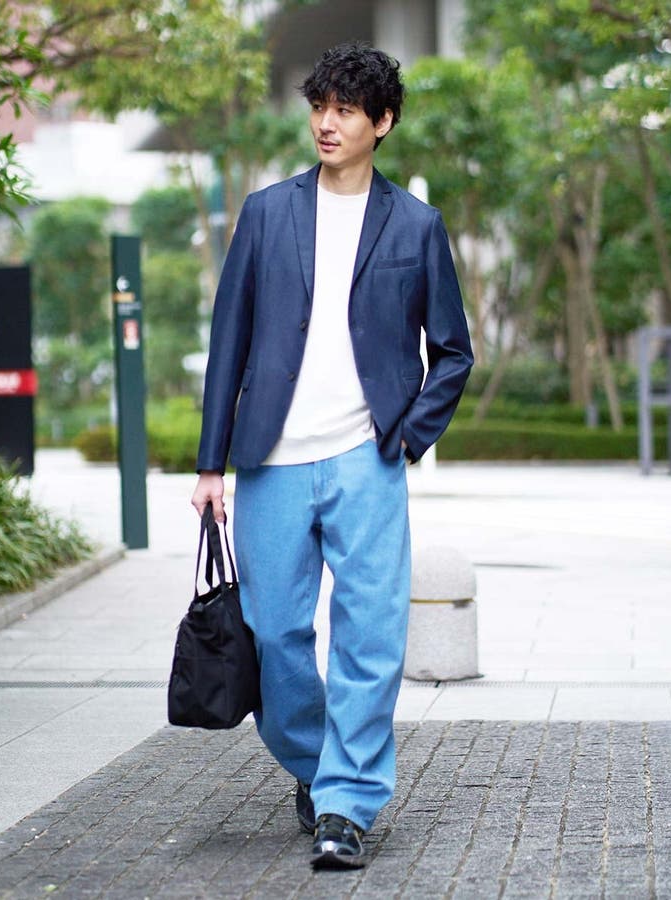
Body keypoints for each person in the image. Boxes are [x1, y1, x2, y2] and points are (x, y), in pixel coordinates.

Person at [191, 41, 473, 869]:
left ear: (381, 122)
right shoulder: (266, 213)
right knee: (272, 633)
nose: (327, 122)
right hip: (271, 459)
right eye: (320, 106)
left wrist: (409, 435)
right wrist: (210, 465)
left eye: (346, 110)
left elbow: (452, 351)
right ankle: (317, 765)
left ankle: (346, 804)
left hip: (366, 458)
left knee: (369, 636)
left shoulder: (415, 225)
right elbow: (229, 341)